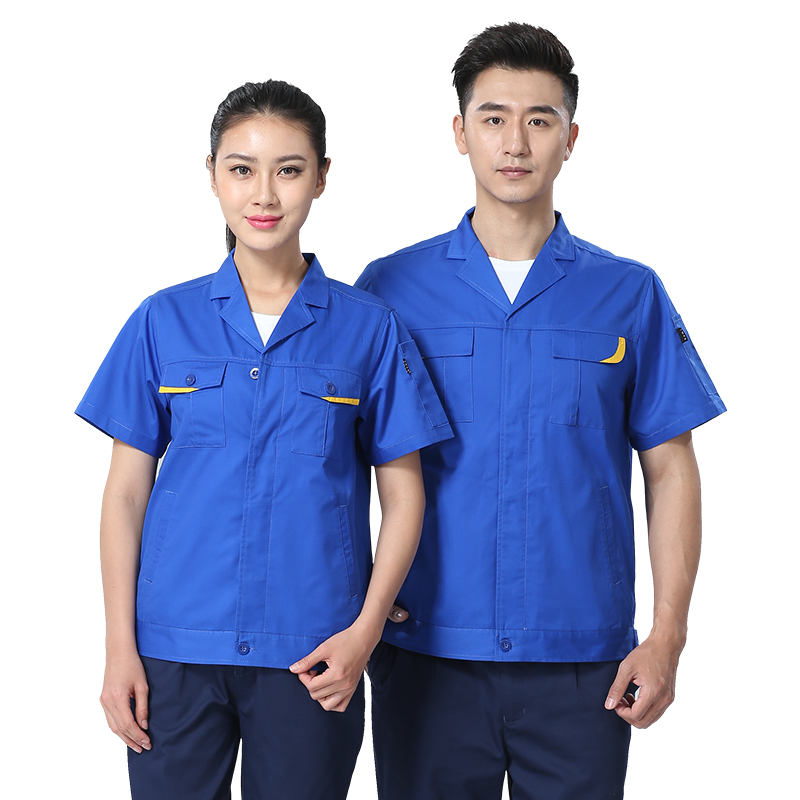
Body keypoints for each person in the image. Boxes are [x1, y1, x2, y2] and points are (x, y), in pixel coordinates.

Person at [356, 23, 726, 800]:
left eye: (540, 120)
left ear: (571, 139)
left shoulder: (629, 293)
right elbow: (333, 463)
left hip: (584, 664)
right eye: (493, 118)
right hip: (426, 653)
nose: (515, 143)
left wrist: (668, 636)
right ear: (460, 133)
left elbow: (671, 470)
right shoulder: (389, 290)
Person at [75, 79, 452, 800]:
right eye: (242, 169)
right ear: (213, 175)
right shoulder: (162, 320)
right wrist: (120, 645)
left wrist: (366, 632)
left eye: (289, 169)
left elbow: (405, 498)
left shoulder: (370, 328)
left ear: (321, 177)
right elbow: (124, 495)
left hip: (314, 652)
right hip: (173, 648)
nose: (265, 194)